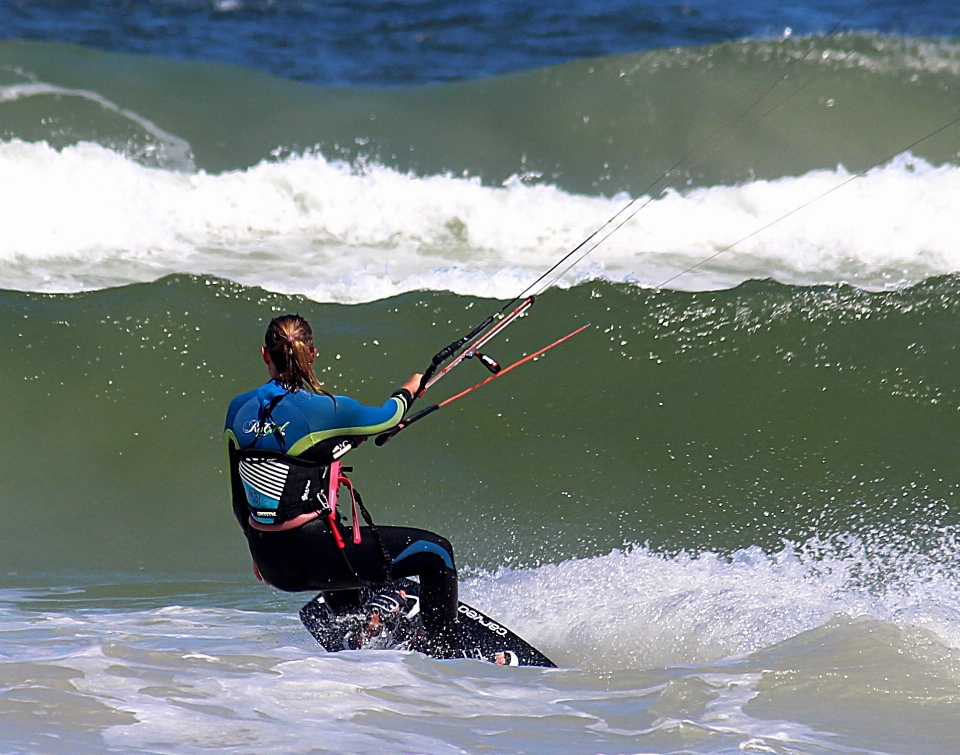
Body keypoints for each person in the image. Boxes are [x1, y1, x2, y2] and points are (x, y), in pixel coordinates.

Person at [224, 313, 460, 653]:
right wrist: (410, 388)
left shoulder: (237, 409)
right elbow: (389, 416)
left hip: (272, 563)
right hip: (315, 557)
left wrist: (258, 551)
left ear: (265, 354)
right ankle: (445, 650)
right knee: (437, 553)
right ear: (313, 354)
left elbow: (239, 500)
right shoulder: (328, 409)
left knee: (333, 532)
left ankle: (358, 628)